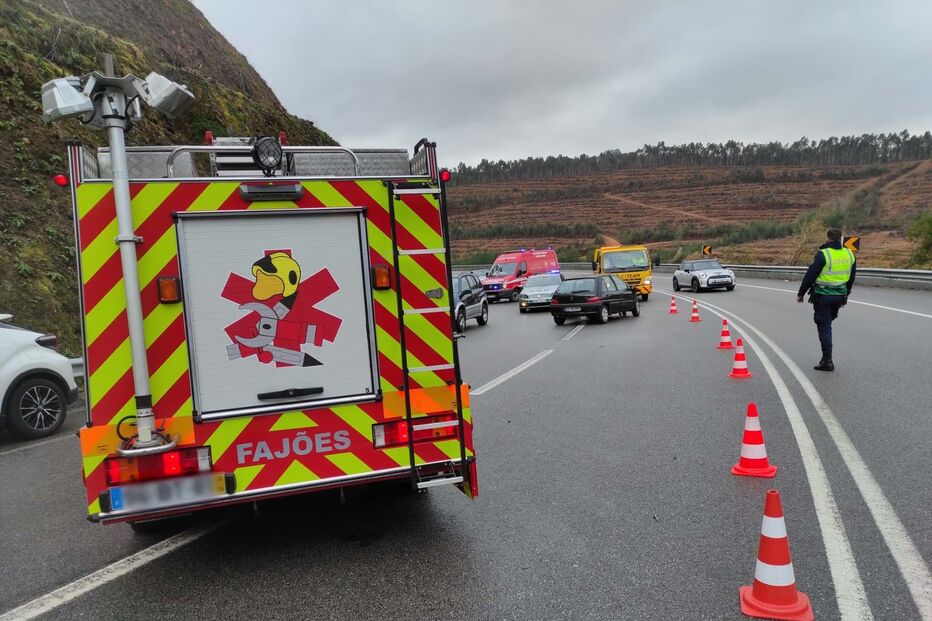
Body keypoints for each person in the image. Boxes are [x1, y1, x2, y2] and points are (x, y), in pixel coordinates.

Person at [796, 228, 856, 371]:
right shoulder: (849, 254)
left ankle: (827, 361)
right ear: (840, 238)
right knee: (828, 321)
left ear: (828, 238)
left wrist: (801, 293)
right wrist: (847, 293)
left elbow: (810, 275)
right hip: (840, 296)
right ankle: (826, 358)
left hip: (823, 296)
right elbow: (852, 276)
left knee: (824, 326)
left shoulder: (823, 254)